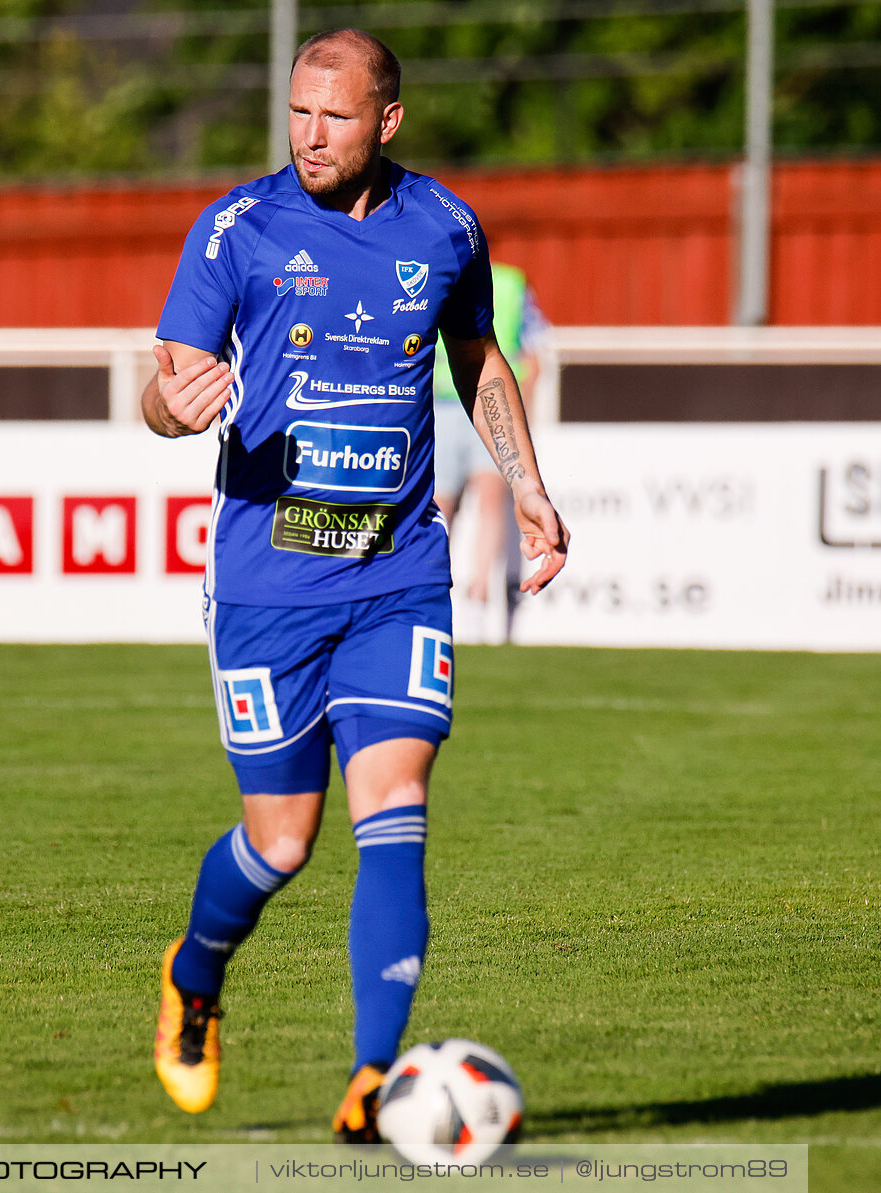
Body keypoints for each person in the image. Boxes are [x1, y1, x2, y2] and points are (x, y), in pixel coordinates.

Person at [142, 28, 569, 1141]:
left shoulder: (446, 226)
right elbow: (167, 382)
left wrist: (526, 486)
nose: (309, 135)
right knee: (281, 842)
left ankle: (375, 1078)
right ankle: (194, 975)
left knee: (396, 809)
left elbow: (475, 358)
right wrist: (166, 407)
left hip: (398, 578)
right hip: (267, 588)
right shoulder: (237, 230)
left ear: (386, 121)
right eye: (296, 112)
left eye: (332, 116)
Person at [433, 266, 551, 630]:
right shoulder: (512, 283)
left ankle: (456, 598)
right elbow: (534, 355)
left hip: (457, 403)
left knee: (446, 509)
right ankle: (473, 599)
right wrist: (521, 417)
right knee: (481, 507)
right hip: (473, 406)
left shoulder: (443, 271)